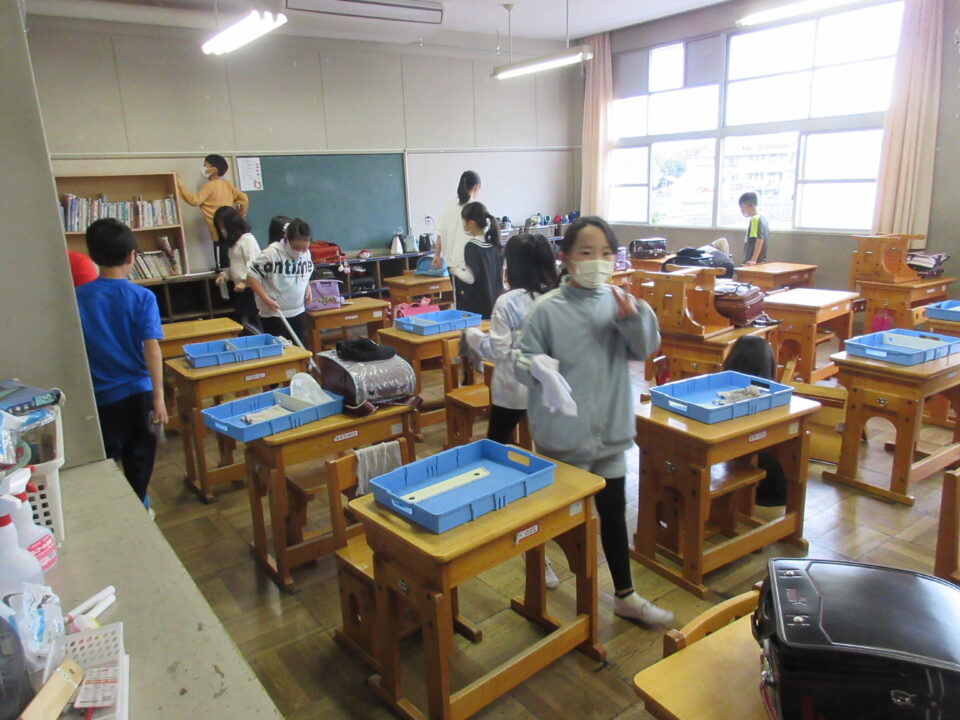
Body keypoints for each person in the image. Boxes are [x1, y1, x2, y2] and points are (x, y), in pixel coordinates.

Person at [514, 216, 673, 625]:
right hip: (564, 437)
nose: (597, 261)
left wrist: (633, 318)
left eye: (606, 253)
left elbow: (643, 349)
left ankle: (625, 595)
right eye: (586, 252)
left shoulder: (620, 302)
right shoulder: (547, 309)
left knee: (613, 515)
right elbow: (520, 362)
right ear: (566, 258)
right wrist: (537, 367)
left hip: (610, 433)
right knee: (560, 519)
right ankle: (539, 569)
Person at [75, 218, 168, 505]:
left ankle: (119, 508)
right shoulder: (143, 297)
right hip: (140, 394)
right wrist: (159, 398)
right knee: (139, 464)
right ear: (131, 256)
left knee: (107, 463)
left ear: (93, 256)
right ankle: (140, 505)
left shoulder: (77, 298)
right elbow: (152, 349)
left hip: (101, 398)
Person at [465, 233, 557, 443]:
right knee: (549, 445)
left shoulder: (508, 302)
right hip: (550, 387)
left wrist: (474, 337)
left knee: (496, 442)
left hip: (514, 388)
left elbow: (498, 352)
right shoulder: (558, 297)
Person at [721, 335, 787, 506]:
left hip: (730, 460)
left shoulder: (722, 392)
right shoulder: (774, 396)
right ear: (767, 364)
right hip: (770, 481)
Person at [175, 154, 249, 270]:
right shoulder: (227, 185)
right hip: (231, 231)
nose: (203, 169)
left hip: (217, 230)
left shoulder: (209, 186)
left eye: (205, 165)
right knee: (233, 263)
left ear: (214, 169)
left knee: (222, 267)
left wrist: (180, 185)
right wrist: (240, 215)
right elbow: (244, 198)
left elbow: (194, 201)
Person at [246, 217, 313, 345]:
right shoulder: (271, 254)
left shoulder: (306, 253)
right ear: (286, 239)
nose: (300, 252)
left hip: (298, 310)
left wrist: (307, 286)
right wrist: (266, 299)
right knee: (281, 351)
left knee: (299, 350)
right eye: (296, 248)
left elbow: (303, 272)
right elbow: (251, 276)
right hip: (276, 314)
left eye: (304, 249)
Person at [213, 206, 261, 332]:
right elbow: (236, 266)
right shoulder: (233, 243)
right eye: (219, 226)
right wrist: (225, 275)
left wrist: (244, 282)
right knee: (241, 324)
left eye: (223, 225)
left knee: (249, 324)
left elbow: (255, 265)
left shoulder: (247, 239)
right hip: (241, 291)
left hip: (251, 290)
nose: (222, 230)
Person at [433, 171, 481, 293]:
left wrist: (437, 256)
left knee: (459, 297)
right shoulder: (474, 207)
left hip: (451, 263)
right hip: (469, 262)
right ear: (477, 187)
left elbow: (440, 233)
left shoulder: (449, 204)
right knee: (472, 298)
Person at [457, 201, 504, 318]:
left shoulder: (472, 246)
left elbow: (470, 278)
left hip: (477, 307)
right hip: (495, 303)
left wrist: (455, 271)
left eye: (464, 223)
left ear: (471, 223)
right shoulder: (495, 244)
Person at [739, 191, 768, 266]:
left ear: (744, 206)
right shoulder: (763, 219)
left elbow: (759, 240)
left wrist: (753, 260)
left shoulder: (755, 219)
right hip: (761, 260)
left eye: (741, 207)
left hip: (753, 262)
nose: (741, 210)